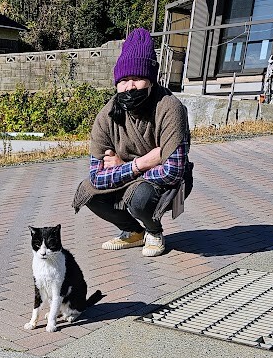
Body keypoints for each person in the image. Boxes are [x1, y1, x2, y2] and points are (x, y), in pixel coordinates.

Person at [73, 28, 191, 258]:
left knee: (140, 198)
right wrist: (143, 163)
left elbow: (174, 172)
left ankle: (154, 231)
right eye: (124, 80)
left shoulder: (170, 108)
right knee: (89, 192)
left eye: (137, 78)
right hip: (141, 172)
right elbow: (96, 175)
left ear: (150, 80)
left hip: (164, 184)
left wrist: (122, 166)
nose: (129, 87)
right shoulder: (107, 115)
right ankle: (133, 232)